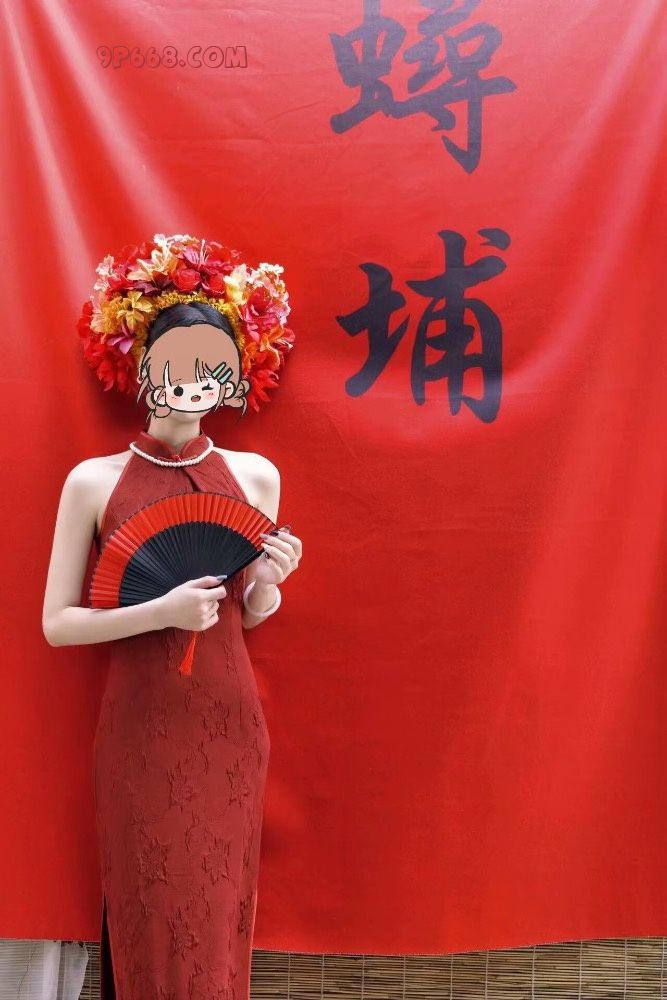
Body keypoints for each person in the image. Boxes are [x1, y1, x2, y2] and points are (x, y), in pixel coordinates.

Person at [41, 234, 301, 999]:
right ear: (139, 366)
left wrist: (268, 584)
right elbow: (58, 623)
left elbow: (248, 617)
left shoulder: (255, 477)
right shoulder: (93, 482)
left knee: (219, 910)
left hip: (227, 724)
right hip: (139, 726)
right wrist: (159, 610)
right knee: (148, 903)